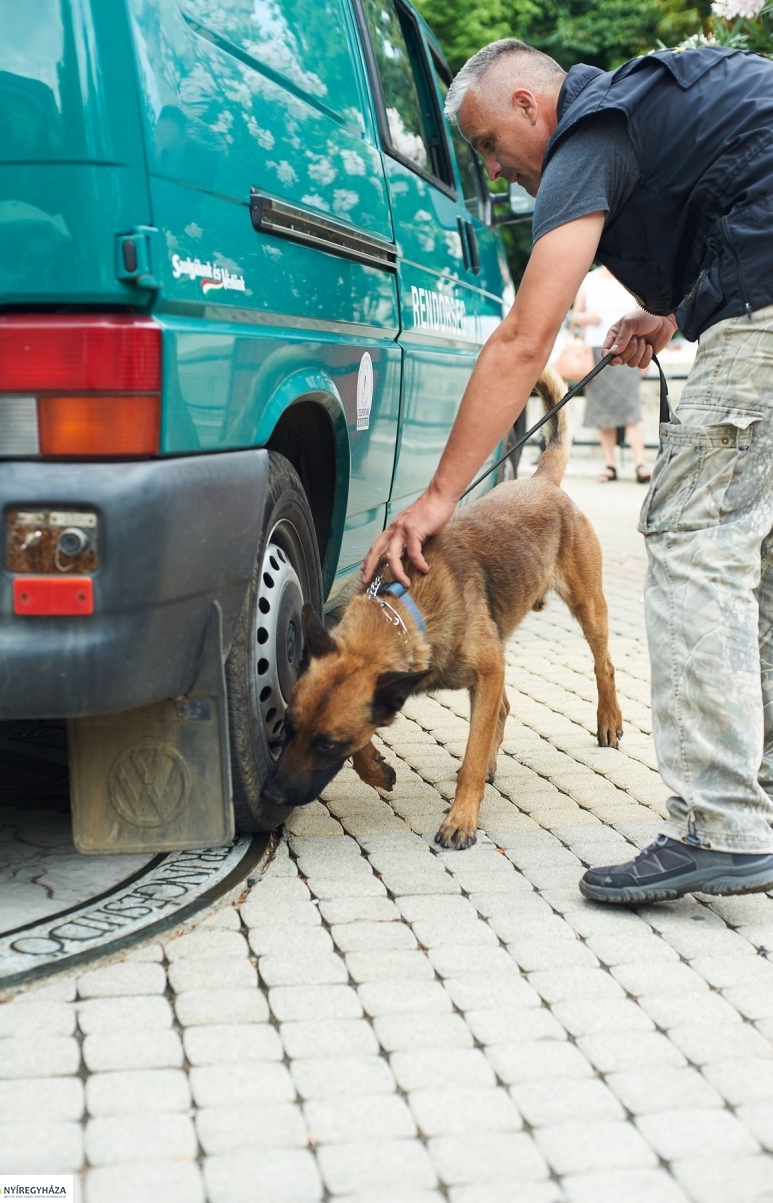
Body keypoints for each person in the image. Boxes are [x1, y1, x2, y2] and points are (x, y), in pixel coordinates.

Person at [361, 38, 773, 904]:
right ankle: (754, 795)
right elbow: (736, 175)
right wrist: (665, 311)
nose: (496, 170)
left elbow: (523, 338)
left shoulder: (586, 138)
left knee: (696, 538)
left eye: (484, 145)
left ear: (526, 106)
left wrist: (439, 498)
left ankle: (721, 824)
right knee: (753, 551)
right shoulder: (642, 113)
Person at [569, 265, 649, 483]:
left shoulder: (631, 276)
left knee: (631, 408)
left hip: (628, 349)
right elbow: (575, 316)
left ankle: (641, 464)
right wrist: (589, 318)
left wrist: (646, 354)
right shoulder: (588, 280)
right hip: (597, 350)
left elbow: (645, 317)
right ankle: (610, 465)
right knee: (602, 409)